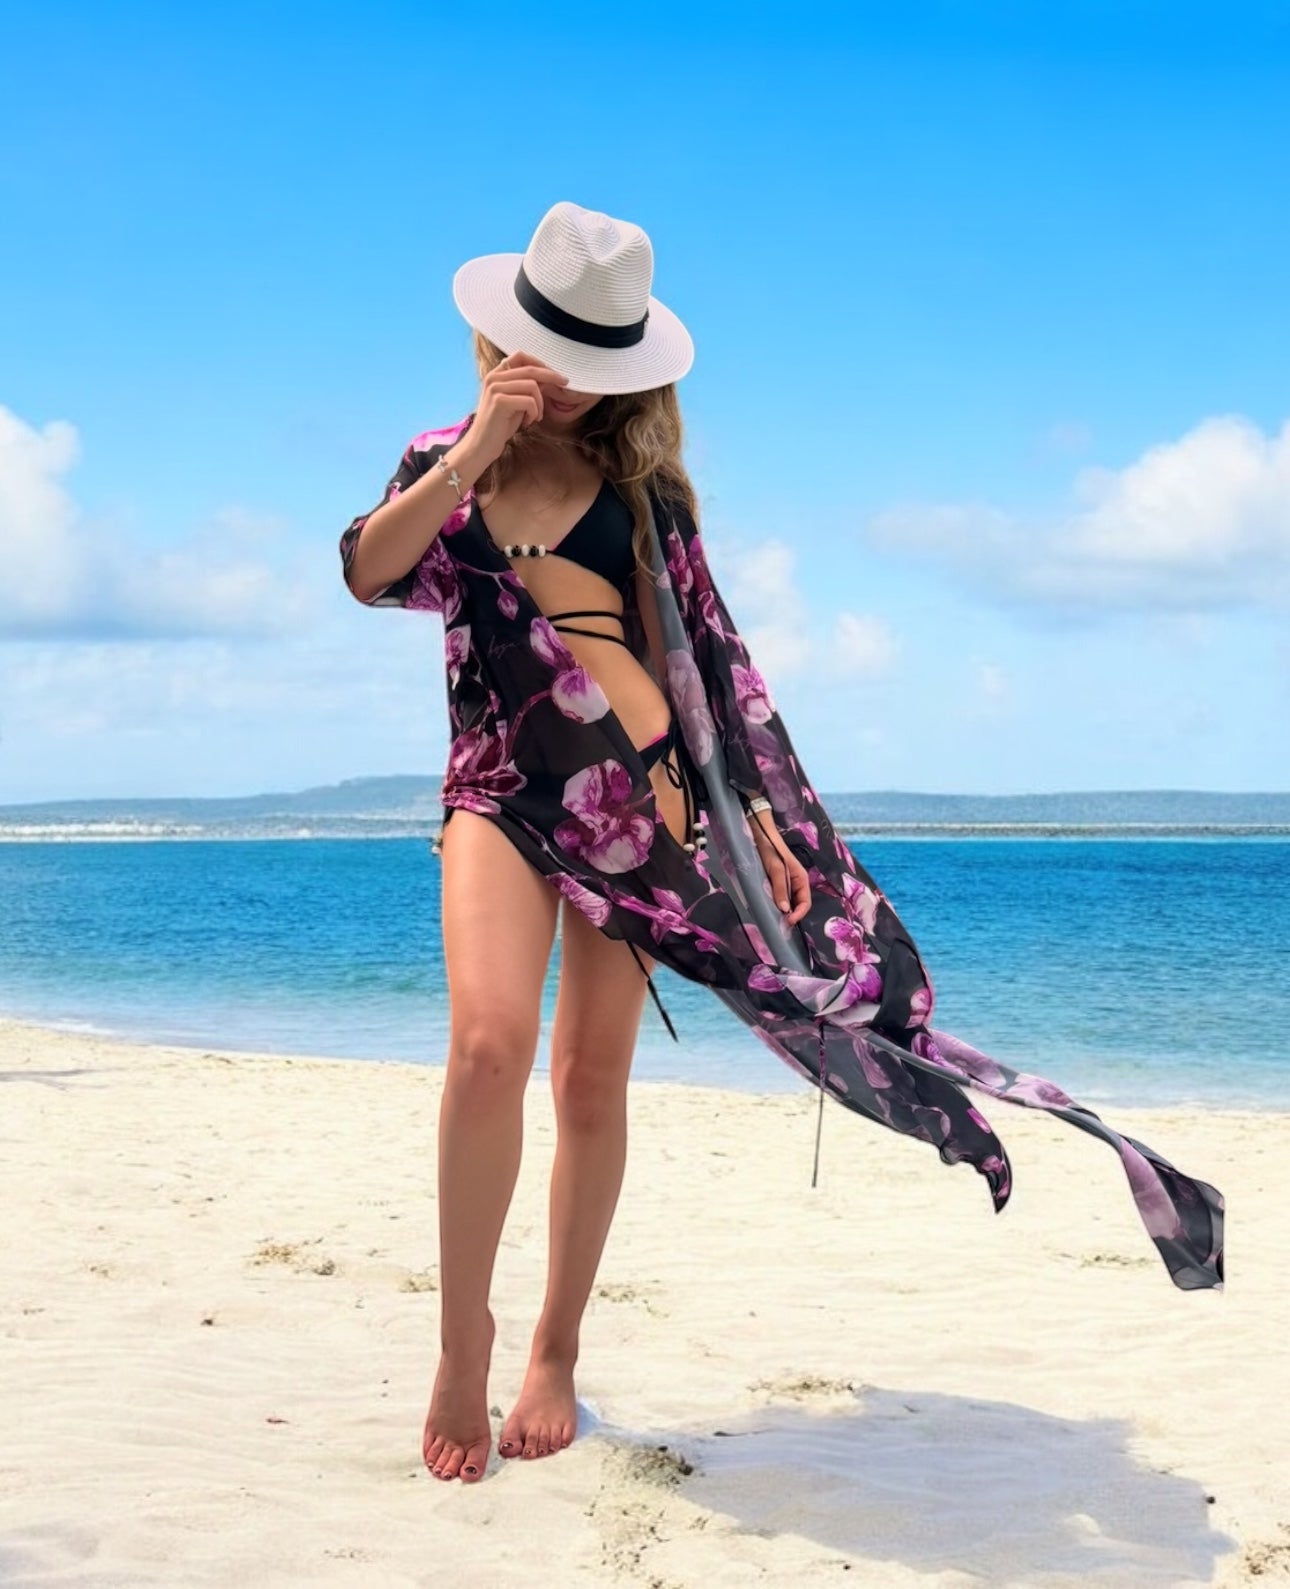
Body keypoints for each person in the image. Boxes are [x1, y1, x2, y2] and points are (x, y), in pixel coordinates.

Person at [340, 202, 1224, 1487]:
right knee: (485, 1046)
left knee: (590, 1083)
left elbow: (709, 668)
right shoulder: (443, 453)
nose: (578, 381)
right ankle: (459, 1336)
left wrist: (753, 819)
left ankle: (554, 1349)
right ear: (504, 339)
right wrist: (472, 452)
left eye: (602, 359)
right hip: (498, 793)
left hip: (638, 815)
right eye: (560, 350)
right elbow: (371, 571)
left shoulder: (647, 494)